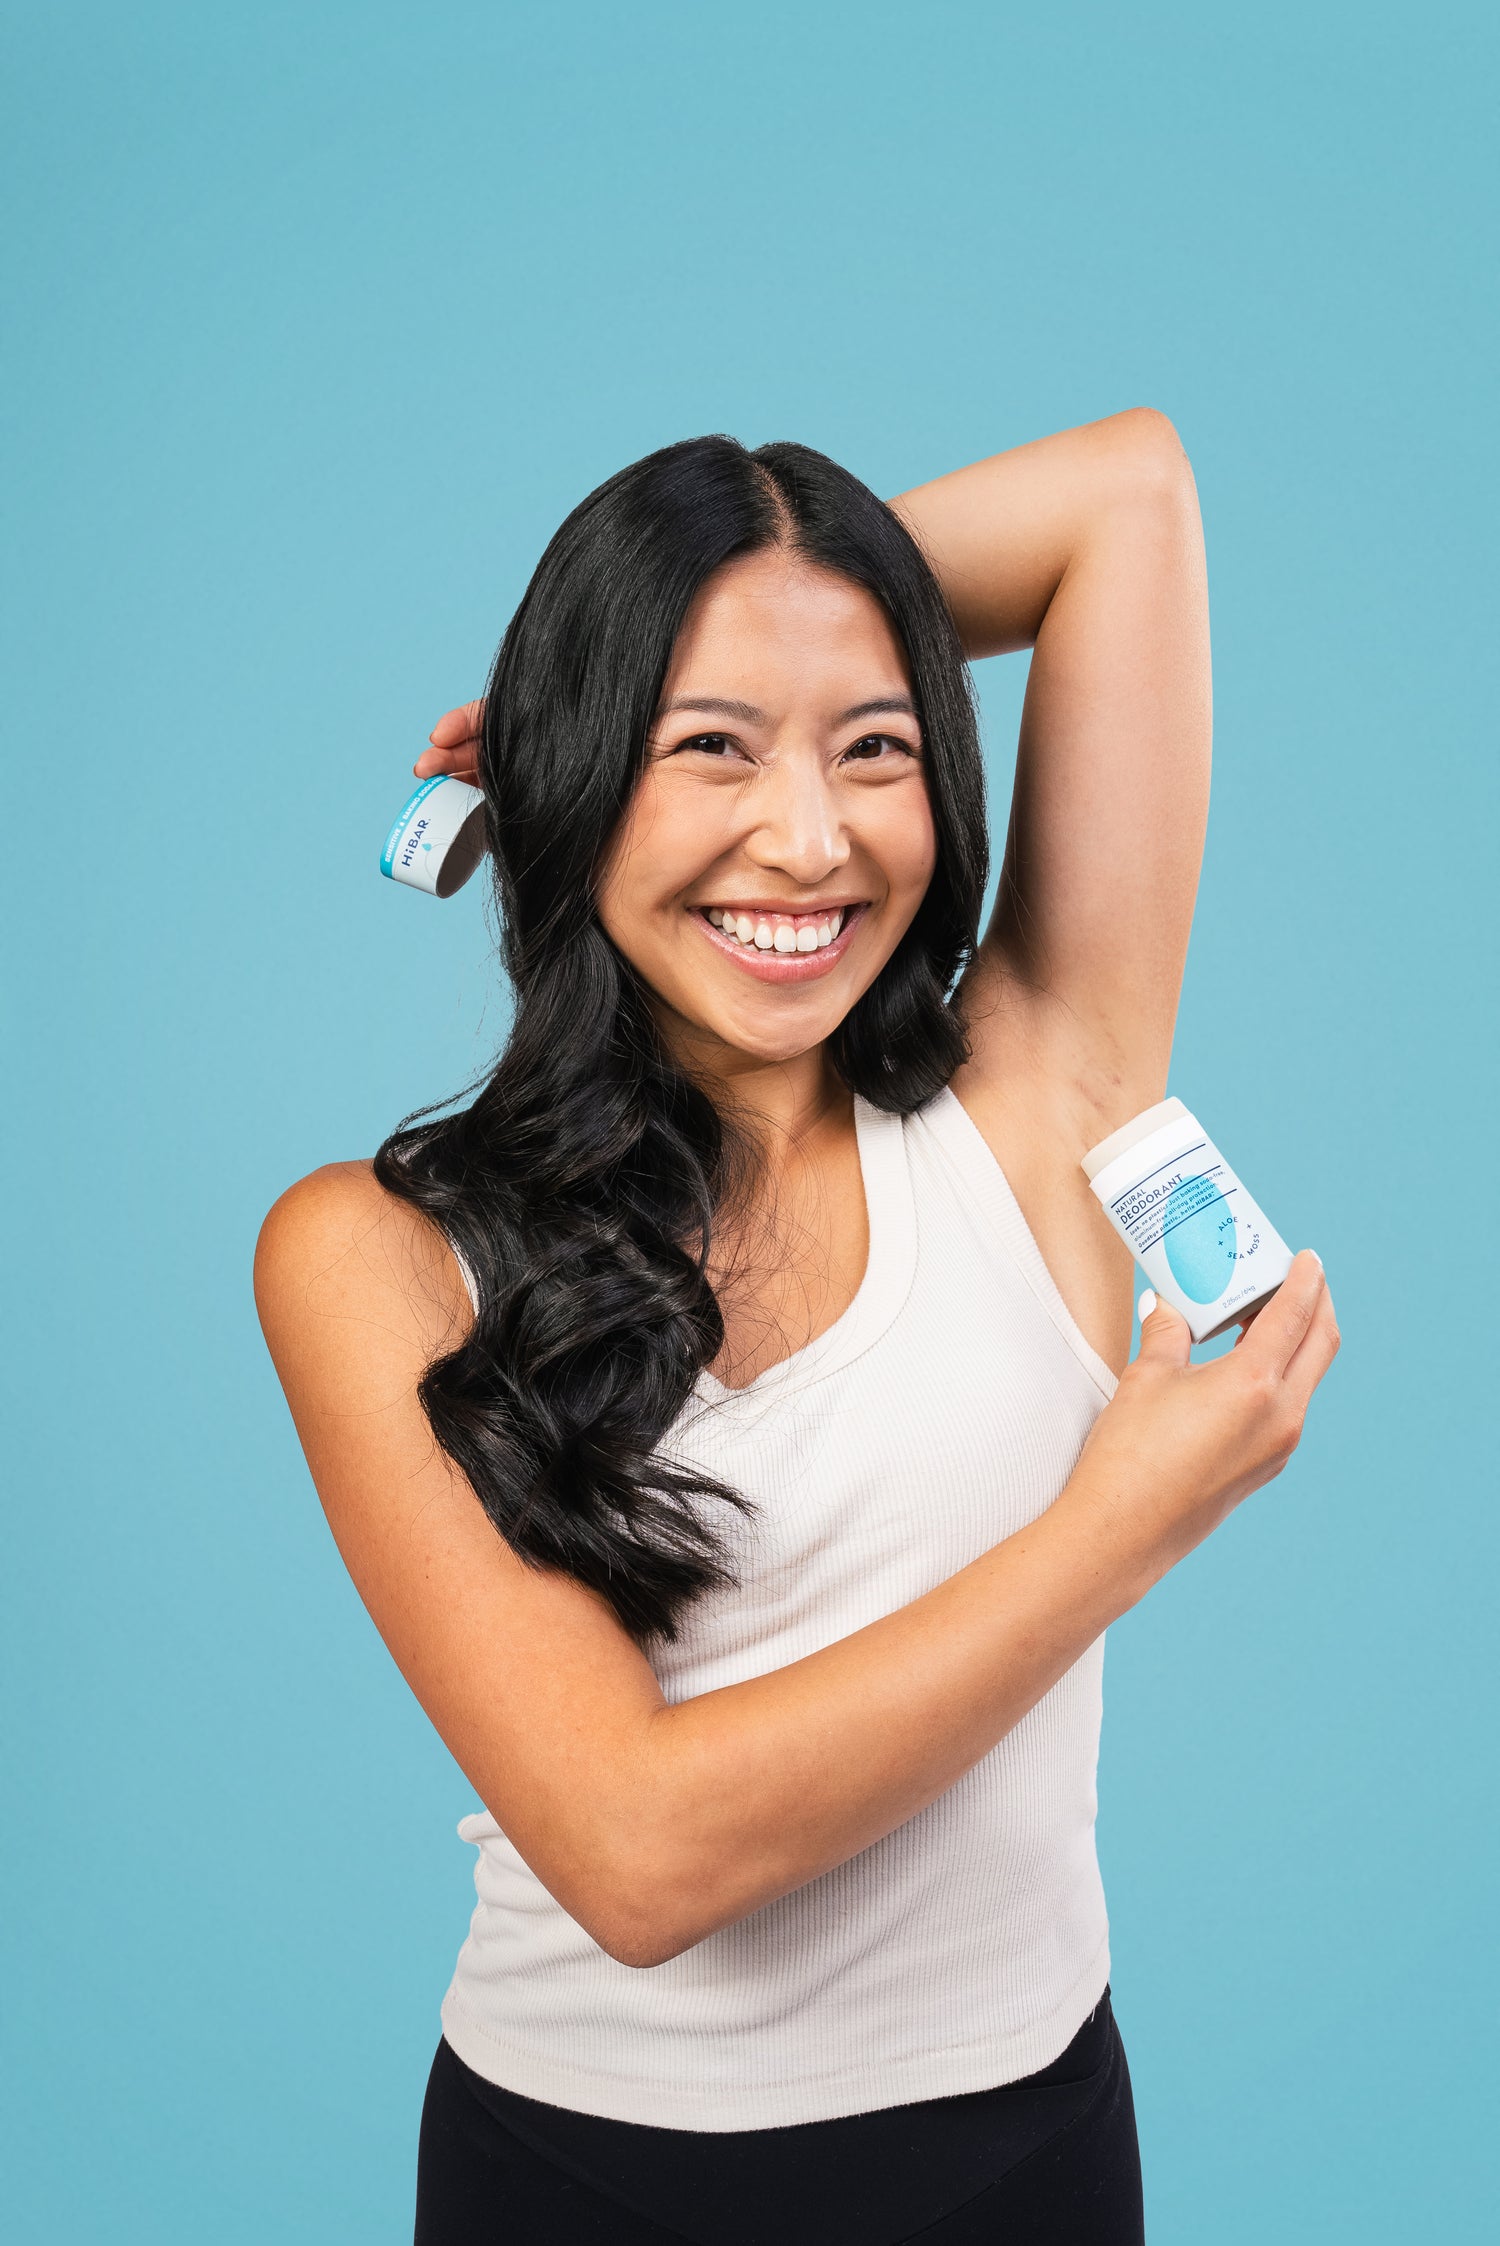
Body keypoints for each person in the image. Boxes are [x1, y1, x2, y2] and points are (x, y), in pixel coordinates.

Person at [255, 416, 1340, 2243]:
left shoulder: (1039, 1092)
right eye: (711, 752)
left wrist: (665, 664)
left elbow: (1126, 495)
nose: (811, 837)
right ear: (587, 779)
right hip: (574, 2176)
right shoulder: (373, 1252)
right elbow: (642, 1852)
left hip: (1027, 2157)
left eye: (875, 746)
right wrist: (1114, 1532)